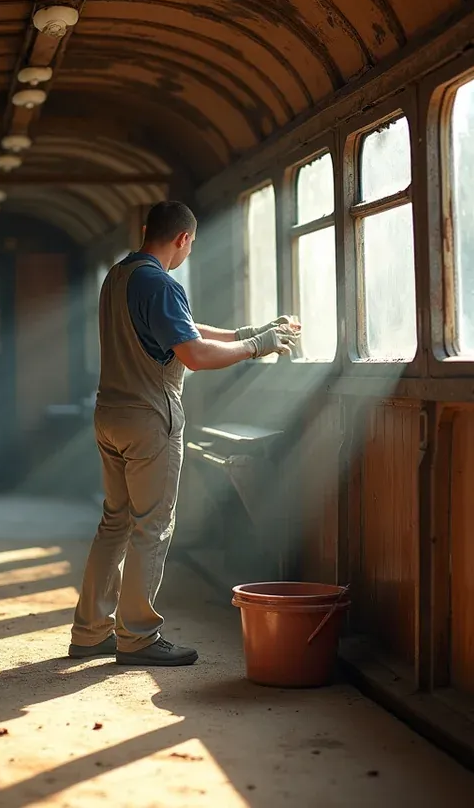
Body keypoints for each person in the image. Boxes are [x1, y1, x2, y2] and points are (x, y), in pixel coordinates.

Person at [68, 200, 300, 666]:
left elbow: (182, 329)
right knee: (152, 526)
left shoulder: (120, 277)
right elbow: (193, 354)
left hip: (110, 413)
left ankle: (91, 631)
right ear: (183, 239)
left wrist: (245, 331)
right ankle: (137, 637)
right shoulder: (160, 282)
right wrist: (257, 347)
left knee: (114, 522)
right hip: (149, 418)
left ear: (147, 229)